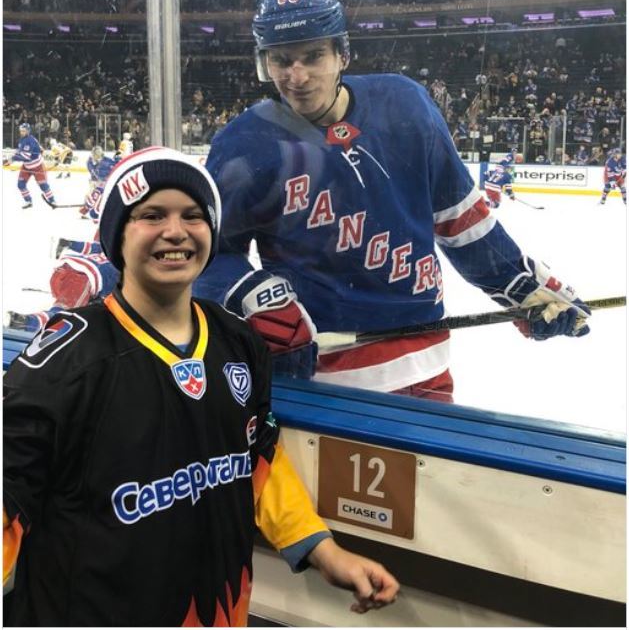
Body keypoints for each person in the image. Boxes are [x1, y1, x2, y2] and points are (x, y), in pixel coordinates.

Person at [3, 146, 399, 626]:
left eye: (193, 215)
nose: (176, 231)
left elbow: (258, 460)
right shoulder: (66, 362)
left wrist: (323, 549)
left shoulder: (238, 341)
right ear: (116, 237)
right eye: (151, 215)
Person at [194, 0, 590, 398]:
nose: (297, 76)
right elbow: (205, 254)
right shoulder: (245, 144)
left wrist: (518, 284)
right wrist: (254, 295)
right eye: (281, 59)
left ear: (342, 53)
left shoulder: (406, 106)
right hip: (311, 375)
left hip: (423, 365)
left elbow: (460, 219)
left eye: (312, 56)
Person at [4, 237, 117, 333]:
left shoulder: (112, 248)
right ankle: (26, 322)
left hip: (63, 271)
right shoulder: (126, 268)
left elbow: (91, 247)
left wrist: (71, 244)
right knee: (67, 316)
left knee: (75, 308)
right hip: (81, 278)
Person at [3, 122, 56, 210]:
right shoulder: (22, 139)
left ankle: (52, 200)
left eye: (24, 131)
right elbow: (22, 151)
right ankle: (28, 201)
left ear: (28, 131)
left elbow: (26, 157)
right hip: (26, 167)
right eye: (21, 131)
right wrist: (11, 158)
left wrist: (12, 159)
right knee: (21, 185)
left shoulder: (30, 140)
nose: (22, 132)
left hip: (37, 167)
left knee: (43, 185)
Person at [78, 144, 117, 221]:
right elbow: (93, 172)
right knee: (91, 194)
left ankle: (95, 210)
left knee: (99, 195)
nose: (94, 156)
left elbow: (115, 167)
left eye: (95, 155)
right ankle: (87, 208)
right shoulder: (90, 161)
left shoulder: (107, 161)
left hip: (107, 182)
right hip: (98, 181)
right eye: (94, 154)